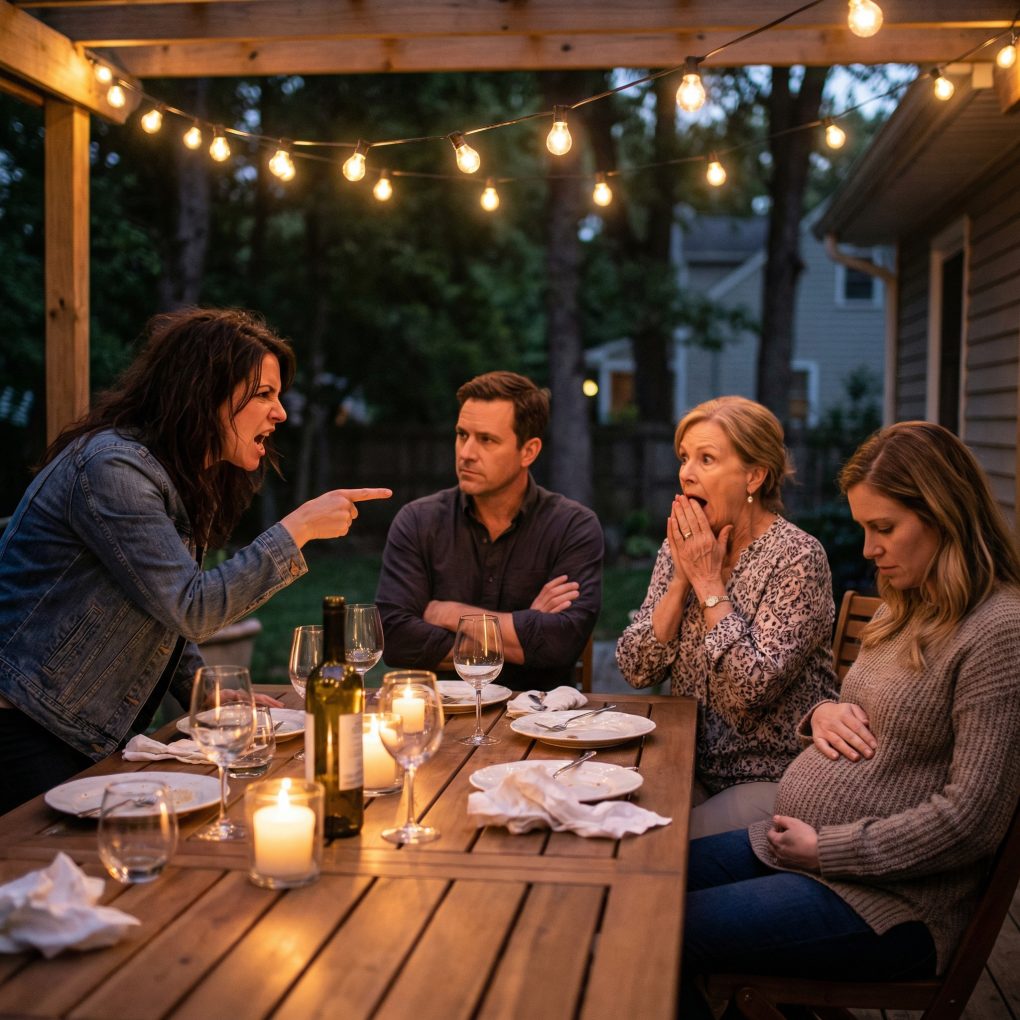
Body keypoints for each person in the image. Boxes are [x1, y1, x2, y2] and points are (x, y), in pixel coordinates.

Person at [679, 421, 1020, 1018]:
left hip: (889, 901)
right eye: (864, 528)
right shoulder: (907, 605)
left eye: (883, 528)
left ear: (944, 515)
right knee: (644, 879)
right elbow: (863, 708)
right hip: (798, 848)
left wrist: (829, 850)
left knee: (660, 925)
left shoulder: (1000, 632)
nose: (867, 549)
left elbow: (972, 820)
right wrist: (821, 711)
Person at [0, 308, 391, 813]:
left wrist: (201, 692)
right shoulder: (113, 469)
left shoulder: (174, 474)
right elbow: (191, 606)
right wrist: (299, 530)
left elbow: (156, 607)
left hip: (68, 726)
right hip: (26, 723)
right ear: (206, 393)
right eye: (264, 394)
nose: (281, 414)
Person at [616, 396, 838, 837]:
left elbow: (750, 688)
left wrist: (709, 585)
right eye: (684, 458)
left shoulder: (797, 558)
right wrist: (682, 579)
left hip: (770, 779)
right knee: (599, 817)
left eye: (707, 459)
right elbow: (635, 668)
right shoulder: (684, 546)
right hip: (688, 764)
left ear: (753, 475)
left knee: (651, 844)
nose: (686, 472)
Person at [375, 370, 603, 691]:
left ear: (529, 451)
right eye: (462, 434)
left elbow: (561, 644)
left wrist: (449, 613)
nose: (466, 453)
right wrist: (522, 633)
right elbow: (395, 637)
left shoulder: (572, 526)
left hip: (540, 722)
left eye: (486, 440)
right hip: (442, 718)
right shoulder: (417, 521)